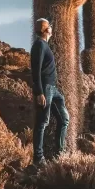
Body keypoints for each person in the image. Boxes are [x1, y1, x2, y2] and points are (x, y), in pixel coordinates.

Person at [30, 18, 70, 167]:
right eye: (50, 26)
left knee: (64, 119)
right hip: (45, 88)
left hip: (53, 89)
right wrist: (39, 92)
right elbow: (36, 70)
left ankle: (60, 152)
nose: (52, 28)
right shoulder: (39, 45)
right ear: (46, 30)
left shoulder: (44, 45)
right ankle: (38, 159)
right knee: (42, 122)